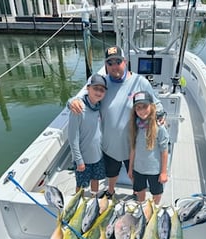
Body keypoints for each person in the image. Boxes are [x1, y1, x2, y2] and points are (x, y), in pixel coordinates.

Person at [68, 45, 163, 199]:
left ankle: (136, 192)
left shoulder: (140, 81)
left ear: (125, 62)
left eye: (117, 61)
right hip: (109, 144)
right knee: (111, 173)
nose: (114, 66)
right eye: (110, 63)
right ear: (106, 65)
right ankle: (110, 191)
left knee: (134, 174)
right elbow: (83, 97)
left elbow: (156, 104)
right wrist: (70, 101)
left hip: (133, 144)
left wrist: (161, 114)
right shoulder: (102, 84)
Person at [68, 73, 107, 194]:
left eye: (102, 90)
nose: (98, 92)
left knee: (95, 180)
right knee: (81, 185)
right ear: (88, 88)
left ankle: (93, 199)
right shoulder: (78, 109)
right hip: (83, 158)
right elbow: (72, 137)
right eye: (95, 88)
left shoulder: (99, 106)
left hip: (98, 155)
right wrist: (79, 160)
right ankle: (78, 201)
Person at [128, 91, 169, 205]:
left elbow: (164, 151)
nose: (141, 111)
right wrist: (130, 168)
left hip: (155, 170)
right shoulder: (135, 126)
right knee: (139, 190)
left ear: (152, 106)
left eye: (145, 106)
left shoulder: (159, 127)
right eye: (138, 108)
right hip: (138, 168)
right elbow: (133, 148)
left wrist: (164, 172)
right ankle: (141, 206)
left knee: (156, 193)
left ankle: (154, 208)